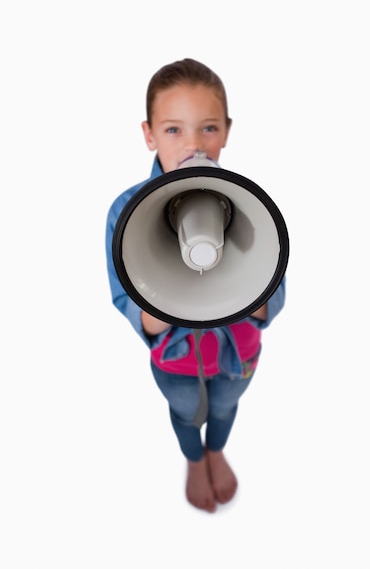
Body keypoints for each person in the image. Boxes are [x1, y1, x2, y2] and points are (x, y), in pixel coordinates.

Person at [105, 58, 286, 513]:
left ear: (226, 132)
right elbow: (129, 304)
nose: (192, 144)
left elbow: (271, 305)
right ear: (148, 134)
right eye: (173, 130)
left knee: (225, 407)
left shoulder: (251, 205)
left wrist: (241, 273)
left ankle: (217, 450)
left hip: (237, 356)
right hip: (175, 363)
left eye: (207, 128)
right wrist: (168, 283)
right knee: (186, 412)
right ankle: (193, 456)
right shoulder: (126, 212)